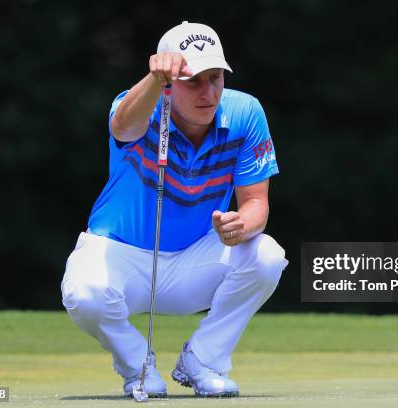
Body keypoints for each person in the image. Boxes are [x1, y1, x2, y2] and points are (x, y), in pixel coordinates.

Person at [60, 21, 288, 398]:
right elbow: (122, 126)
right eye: (192, 80)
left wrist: (240, 225)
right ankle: (138, 367)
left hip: (193, 262)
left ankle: (204, 360)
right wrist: (154, 80)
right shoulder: (143, 104)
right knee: (84, 293)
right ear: (169, 83)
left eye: (215, 78)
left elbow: (256, 205)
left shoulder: (246, 114)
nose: (208, 91)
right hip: (122, 257)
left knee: (267, 255)